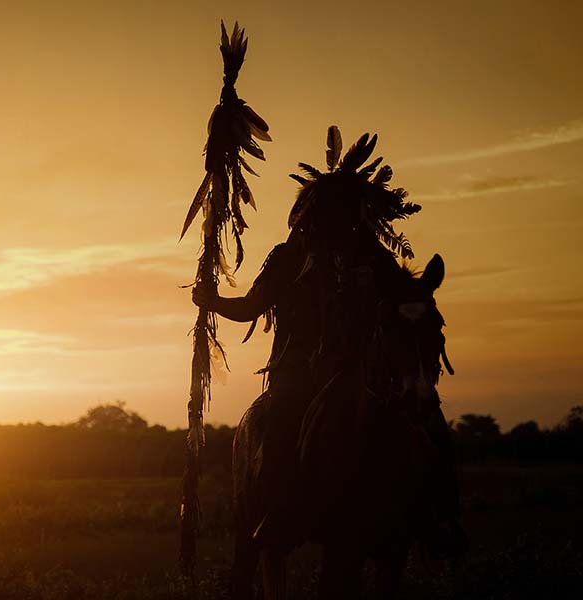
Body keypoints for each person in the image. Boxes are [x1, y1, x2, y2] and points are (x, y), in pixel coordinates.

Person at [192, 128, 466, 557]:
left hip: (363, 367)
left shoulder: (373, 257)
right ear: (314, 212)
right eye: (333, 210)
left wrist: (421, 298)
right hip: (298, 369)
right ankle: (279, 512)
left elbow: (405, 298)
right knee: (280, 417)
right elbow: (250, 307)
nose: (343, 220)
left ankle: (443, 516)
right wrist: (212, 301)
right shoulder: (288, 257)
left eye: (350, 211)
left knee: (429, 420)